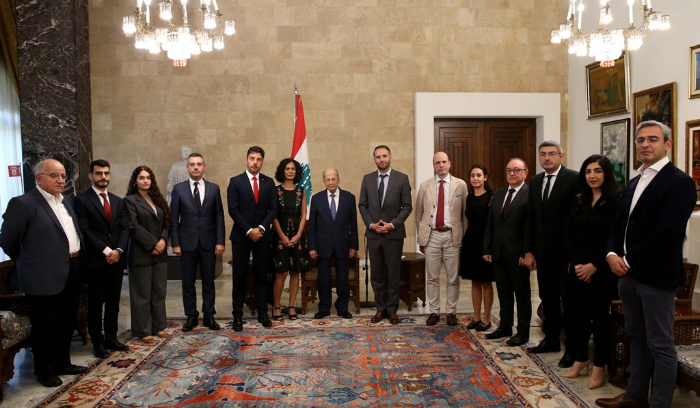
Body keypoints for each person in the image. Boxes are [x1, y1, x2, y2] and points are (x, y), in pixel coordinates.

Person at [596, 121, 696, 408]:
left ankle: (660, 403)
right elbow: (618, 224)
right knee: (635, 337)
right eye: (640, 140)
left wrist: (628, 260)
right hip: (627, 277)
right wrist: (611, 254)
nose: (645, 145)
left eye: (653, 139)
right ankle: (635, 396)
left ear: (668, 143)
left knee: (660, 344)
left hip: (656, 277)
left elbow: (667, 232)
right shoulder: (634, 181)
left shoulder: (679, 182)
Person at [0, 159, 87, 387]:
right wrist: (32, 261)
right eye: (54, 175)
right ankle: (45, 371)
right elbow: (8, 241)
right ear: (39, 178)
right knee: (45, 324)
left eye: (63, 176)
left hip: (72, 268)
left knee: (66, 320)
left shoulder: (66, 201)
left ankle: (63, 363)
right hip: (41, 274)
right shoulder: (23, 203)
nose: (60, 180)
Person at [563, 154, 619, 389]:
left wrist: (594, 265)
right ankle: (580, 358)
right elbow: (569, 233)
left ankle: (599, 366)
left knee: (600, 319)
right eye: (588, 171)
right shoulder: (579, 199)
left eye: (597, 171)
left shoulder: (615, 201)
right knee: (578, 317)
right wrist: (577, 263)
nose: (592, 176)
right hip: (578, 270)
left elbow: (613, 237)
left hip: (602, 270)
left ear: (606, 173)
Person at [523, 140, 580, 368]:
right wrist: (529, 250)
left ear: (561, 156)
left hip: (565, 255)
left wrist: (574, 256)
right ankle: (551, 339)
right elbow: (531, 217)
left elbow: (577, 219)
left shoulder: (574, 179)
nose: (546, 158)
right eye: (543, 154)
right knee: (547, 298)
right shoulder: (535, 181)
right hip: (543, 253)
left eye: (551, 154)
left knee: (569, 301)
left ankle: (572, 348)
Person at [74, 159, 130, 358]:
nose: (103, 177)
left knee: (114, 302)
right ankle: (97, 342)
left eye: (106, 173)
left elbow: (124, 228)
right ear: (91, 175)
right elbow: (85, 231)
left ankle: (111, 338)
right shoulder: (81, 200)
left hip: (116, 260)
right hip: (96, 260)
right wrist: (107, 251)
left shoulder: (117, 201)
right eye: (99, 173)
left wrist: (119, 250)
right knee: (96, 304)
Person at [170, 153, 225, 332]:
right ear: (187, 168)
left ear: (204, 167)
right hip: (186, 244)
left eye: (199, 164)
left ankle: (209, 315)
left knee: (209, 281)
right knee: (188, 282)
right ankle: (191, 316)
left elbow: (219, 217)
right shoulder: (179, 189)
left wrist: (220, 241)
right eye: (192, 164)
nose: (195, 167)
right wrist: (175, 243)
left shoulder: (213, 188)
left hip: (208, 242)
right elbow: (173, 219)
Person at [359, 145, 413, 325]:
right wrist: (371, 224)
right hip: (374, 235)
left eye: (384, 156)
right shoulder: (367, 179)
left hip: (393, 235)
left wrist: (391, 225)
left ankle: (392, 310)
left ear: (390, 157)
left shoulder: (402, 179)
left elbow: (407, 207)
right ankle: (380, 309)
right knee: (377, 274)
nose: (381, 159)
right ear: (374, 159)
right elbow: (363, 205)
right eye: (378, 157)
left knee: (393, 274)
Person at [227, 146, 278, 331]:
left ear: (262, 161)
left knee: (262, 275)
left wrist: (261, 228)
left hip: (263, 237)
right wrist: (249, 230)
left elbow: (274, 209)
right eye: (252, 158)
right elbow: (233, 210)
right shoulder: (235, 182)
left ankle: (263, 313)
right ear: (246, 160)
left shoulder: (269, 182)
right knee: (239, 276)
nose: (255, 162)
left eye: (258, 159)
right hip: (241, 236)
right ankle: (237, 315)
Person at [415, 152, 468, 326]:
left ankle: (451, 311)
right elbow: (419, 213)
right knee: (432, 277)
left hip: (452, 235)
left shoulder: (460, 185)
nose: (441, 165)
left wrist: (464, 237)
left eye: (444, 162)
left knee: (453, 277)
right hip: (432, 236)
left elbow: (465, 214)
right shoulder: (425, 185)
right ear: (434, 165)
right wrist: (422, 237)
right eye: (437, 162)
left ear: (449, 164)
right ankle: (434, 311)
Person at [483, 158, 532, 347]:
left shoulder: (529, 194)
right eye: (509, 170)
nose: (512, 173)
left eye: (516, 170)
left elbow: (531, 227)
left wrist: (526, 252)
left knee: (522, 296)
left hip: (518, 255)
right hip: (498, 253)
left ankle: (523, 333)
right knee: (504, 293)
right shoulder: (499, 194)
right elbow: (491, 224)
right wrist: (487, 248)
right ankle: (505, 327)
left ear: (525, 173)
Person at [124, 166, 171, 344]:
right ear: (135, 181)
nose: (145, 181)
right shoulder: (130, 201)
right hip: (141, 253)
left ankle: (159, 327)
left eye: (148, 177)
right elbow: (133, 226)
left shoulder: (157, 199)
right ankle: (143, 330)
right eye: (141, 178)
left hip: (160, 253)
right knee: (142, 294)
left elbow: (167, 222)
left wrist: (163, 241)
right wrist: (153, 244)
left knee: (159, 292)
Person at [308, 168, 359, 319]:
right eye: (328, 179)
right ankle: (324, 308)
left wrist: (354, 245)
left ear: (338, 179)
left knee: (342, 278)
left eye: (333, 179)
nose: (331, 182)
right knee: (323, 279)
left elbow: (353, 224)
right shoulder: (316, 199)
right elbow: (312, 226)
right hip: (322, 245)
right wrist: (312, 246)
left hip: (343, 245)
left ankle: (342, 308)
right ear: (323, 181)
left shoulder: (349, 198)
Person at [271, 158, 310, 321]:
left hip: (297, 236)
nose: (290, 171)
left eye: (293, 169)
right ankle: (277, 306)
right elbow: (273, 215)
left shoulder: (301, 191)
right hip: (279, 235)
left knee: (295, 272)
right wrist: (282, 236)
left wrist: (298, 235)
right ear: (282, 171)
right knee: (281, 272)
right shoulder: (275, 191)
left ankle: (292, 306)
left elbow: (303, 215)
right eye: (287, 168)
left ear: (297, 171)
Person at [460, 164, 495, 331]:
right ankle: (476, 317)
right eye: (472, 175)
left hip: (485, 243)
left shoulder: (491, 197)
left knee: (486, 282)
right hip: (470, 242)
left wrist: (490, 247)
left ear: (485, 177)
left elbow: (493, 223)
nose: (475, 178)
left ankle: (486, 319)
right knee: (474, 281)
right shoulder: (469, 197)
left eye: (479, 175)